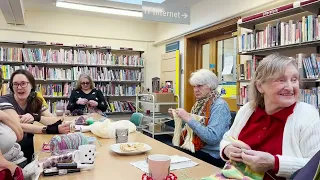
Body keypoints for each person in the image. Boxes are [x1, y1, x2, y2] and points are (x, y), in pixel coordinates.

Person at [220, 54, 320, 179]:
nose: (290, 87)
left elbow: (316, 168)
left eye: (294, 80)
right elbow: (227, 139)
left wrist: (274, 163)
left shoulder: (307, 114)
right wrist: (227, 149)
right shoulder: (248, 109)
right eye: (281, 80)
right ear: (260, 86)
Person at [0, 69, 70, 163]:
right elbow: (18, 126)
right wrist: (49, 129)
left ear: (31, 85)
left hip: (32, 142)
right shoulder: (4, 100)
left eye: (23, 83)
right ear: (11, 87)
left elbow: (55, 120)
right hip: (13, 147)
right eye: (15, 84)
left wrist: (37, 117)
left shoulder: (34, 100)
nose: (19, 87)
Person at [168, 69, 231, 167]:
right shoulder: (200, 103)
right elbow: (194, 128)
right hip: (195, 148)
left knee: (171, 160)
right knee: (169, 154)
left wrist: (188, 118)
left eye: (199, 86)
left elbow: (212, 138)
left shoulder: (220, 105)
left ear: (211, 86)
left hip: (211, 155)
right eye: (194, 86)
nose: (195, 90)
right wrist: (180, 117)